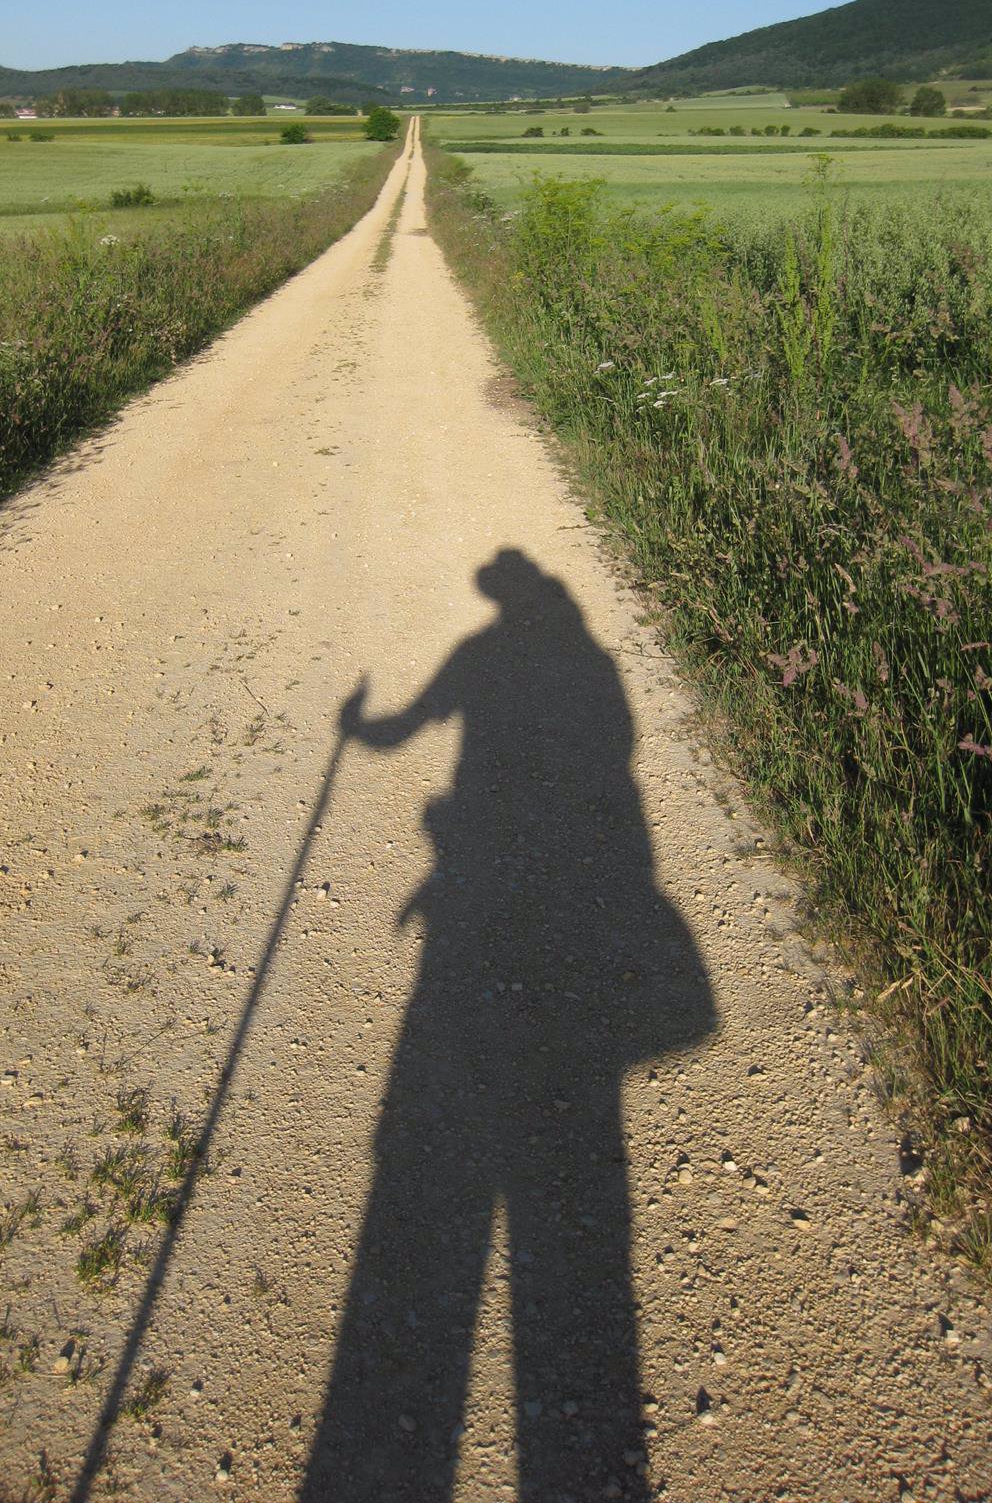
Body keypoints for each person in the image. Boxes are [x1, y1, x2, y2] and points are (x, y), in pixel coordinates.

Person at [302, 549, 717, 1502]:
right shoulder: (592, 663)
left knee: (419, 1186)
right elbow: (620, 754)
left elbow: (400, 727)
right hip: (597, 878)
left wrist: (355, 727)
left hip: (485, 888)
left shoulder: (483, 652)